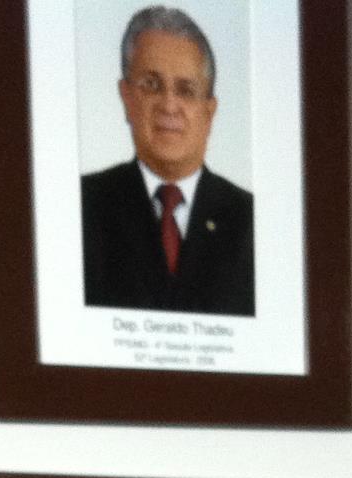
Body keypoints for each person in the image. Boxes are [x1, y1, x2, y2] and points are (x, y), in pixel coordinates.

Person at [81, 7, 255, 318]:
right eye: (151, 85)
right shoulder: (82, 205)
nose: (169, 105)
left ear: (209, 111)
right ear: (126, 97)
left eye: (186, 90)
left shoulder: (251, 220)